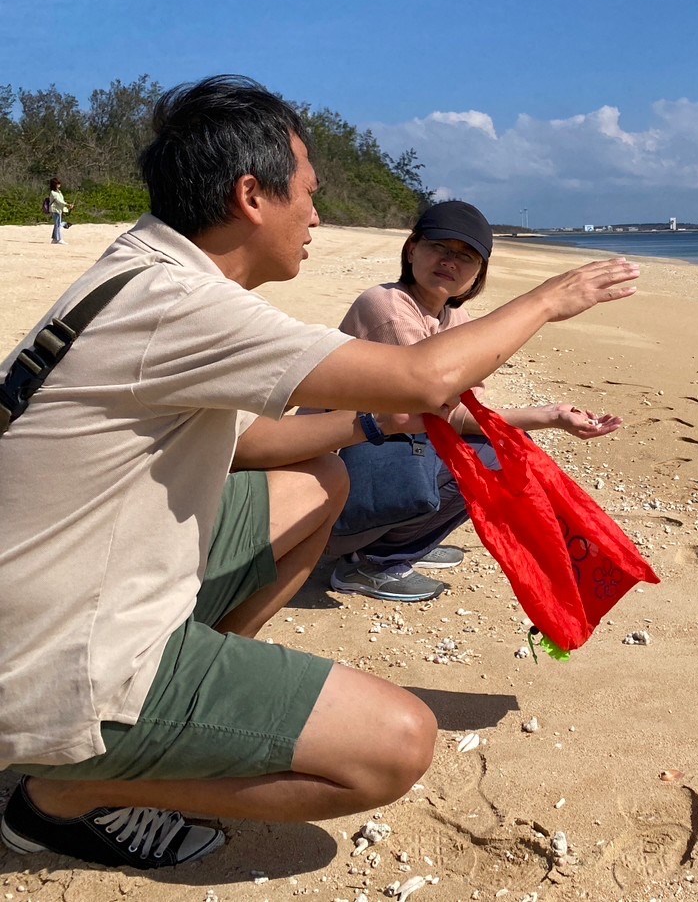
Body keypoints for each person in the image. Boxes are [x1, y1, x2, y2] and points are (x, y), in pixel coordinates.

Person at [0, 75, 638, 870]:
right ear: (250, 195)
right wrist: (554, 296)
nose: (316, 215)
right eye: (308, 193)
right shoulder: (184, 304)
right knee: (396, 745)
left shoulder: (137, 269)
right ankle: (68, 791)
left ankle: (190, 701)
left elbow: (250, 443)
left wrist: (377, 423)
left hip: (43, 590)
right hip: (60, 656)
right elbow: (425, 379)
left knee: (320, 479)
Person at [327, 199, 622, 602]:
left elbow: (470, 413)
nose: (451, 262)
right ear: (412, 248)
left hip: (381, 458)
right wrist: (543, 416)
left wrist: (552, 416)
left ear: (478, 274)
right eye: (440, 248)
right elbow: (442, 410)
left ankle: (403, 542)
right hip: (334, 477)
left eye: (466, 256)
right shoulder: (387, 308)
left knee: (506, 447)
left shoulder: (453, 319)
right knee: (491, 458)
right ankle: (373, 561)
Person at [46, 178, 71, 244]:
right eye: (58, 183)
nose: (59, 184)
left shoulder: (58, 191)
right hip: (55, 210)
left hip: (59, 210)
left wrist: (67, 206)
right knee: (58, 225)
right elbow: (59, 201)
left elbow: (61, 201)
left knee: (57, 225)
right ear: (54, 185)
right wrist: (67, 204)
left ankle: (54, 239)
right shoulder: (53, 193)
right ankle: (59, 239)